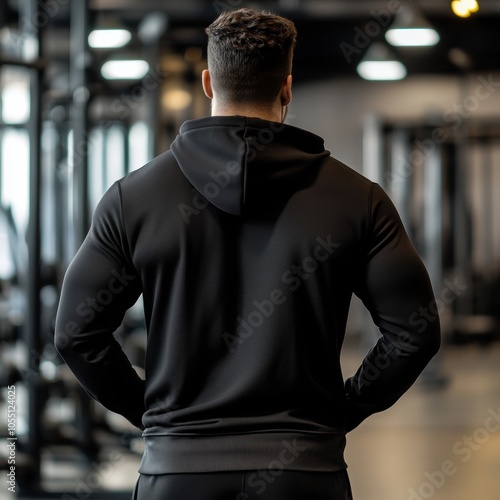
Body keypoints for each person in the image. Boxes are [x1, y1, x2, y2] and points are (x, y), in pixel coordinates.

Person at [54, 7, 441, 500]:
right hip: (305, 473)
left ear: (209, 83)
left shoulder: (133, 197)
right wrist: (340, 411)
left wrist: (155, 415)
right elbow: (416, 332)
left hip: (176, 473)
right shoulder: (358, 198)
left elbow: (75, 332)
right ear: (287, 87)